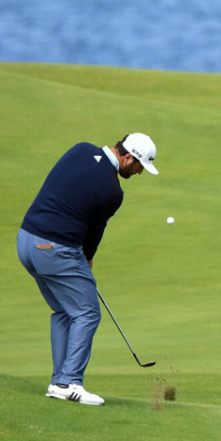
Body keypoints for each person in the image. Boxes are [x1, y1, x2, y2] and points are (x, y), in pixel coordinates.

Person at [17, 133, 159, 406]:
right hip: (53, 248)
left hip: (26, 241)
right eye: (140, 165)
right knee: (87, 311)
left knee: (65, 310)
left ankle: (59, 382)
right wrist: (87, 259)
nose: (140, 172)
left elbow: (61, 188)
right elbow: (95, 230)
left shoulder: (80, 149)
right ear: (128, 157)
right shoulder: (112, 190)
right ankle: (70, 382)